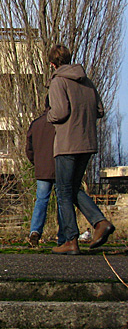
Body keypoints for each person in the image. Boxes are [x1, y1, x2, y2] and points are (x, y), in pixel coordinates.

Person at [47, 44, 115, 255]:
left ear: (52, 64)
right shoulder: (87, 81)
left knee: (64, 191)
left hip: (67, 142)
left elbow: (59, 112)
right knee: (74, 188)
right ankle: (100, 223)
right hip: (88, 141)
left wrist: (48, 116)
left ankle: (71, 240)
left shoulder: (58, 81)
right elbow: (100, 110)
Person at [26, 101, 112, 248]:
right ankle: (63, 237)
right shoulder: (62, 124)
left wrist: (37, 163)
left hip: (42, 169)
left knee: (41, 200)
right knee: (63, 200)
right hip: (61, 167)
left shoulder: (36, 123)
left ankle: (35, 231)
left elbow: (29, 149)